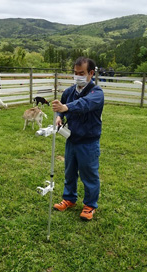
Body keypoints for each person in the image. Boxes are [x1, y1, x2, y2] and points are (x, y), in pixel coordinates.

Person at [51, 57, 104, 221]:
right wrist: (59, 116)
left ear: (91, 73)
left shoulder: (97, 93)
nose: (77, 76)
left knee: (89, 174)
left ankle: (90, 205)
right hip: (72, 140)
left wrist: (66, 107)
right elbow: (63, 106)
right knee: (70, 172)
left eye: (81, 73)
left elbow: (84, 104)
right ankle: (69, 199)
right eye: (75, 73)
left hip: (88, 142)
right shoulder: (69, 92)